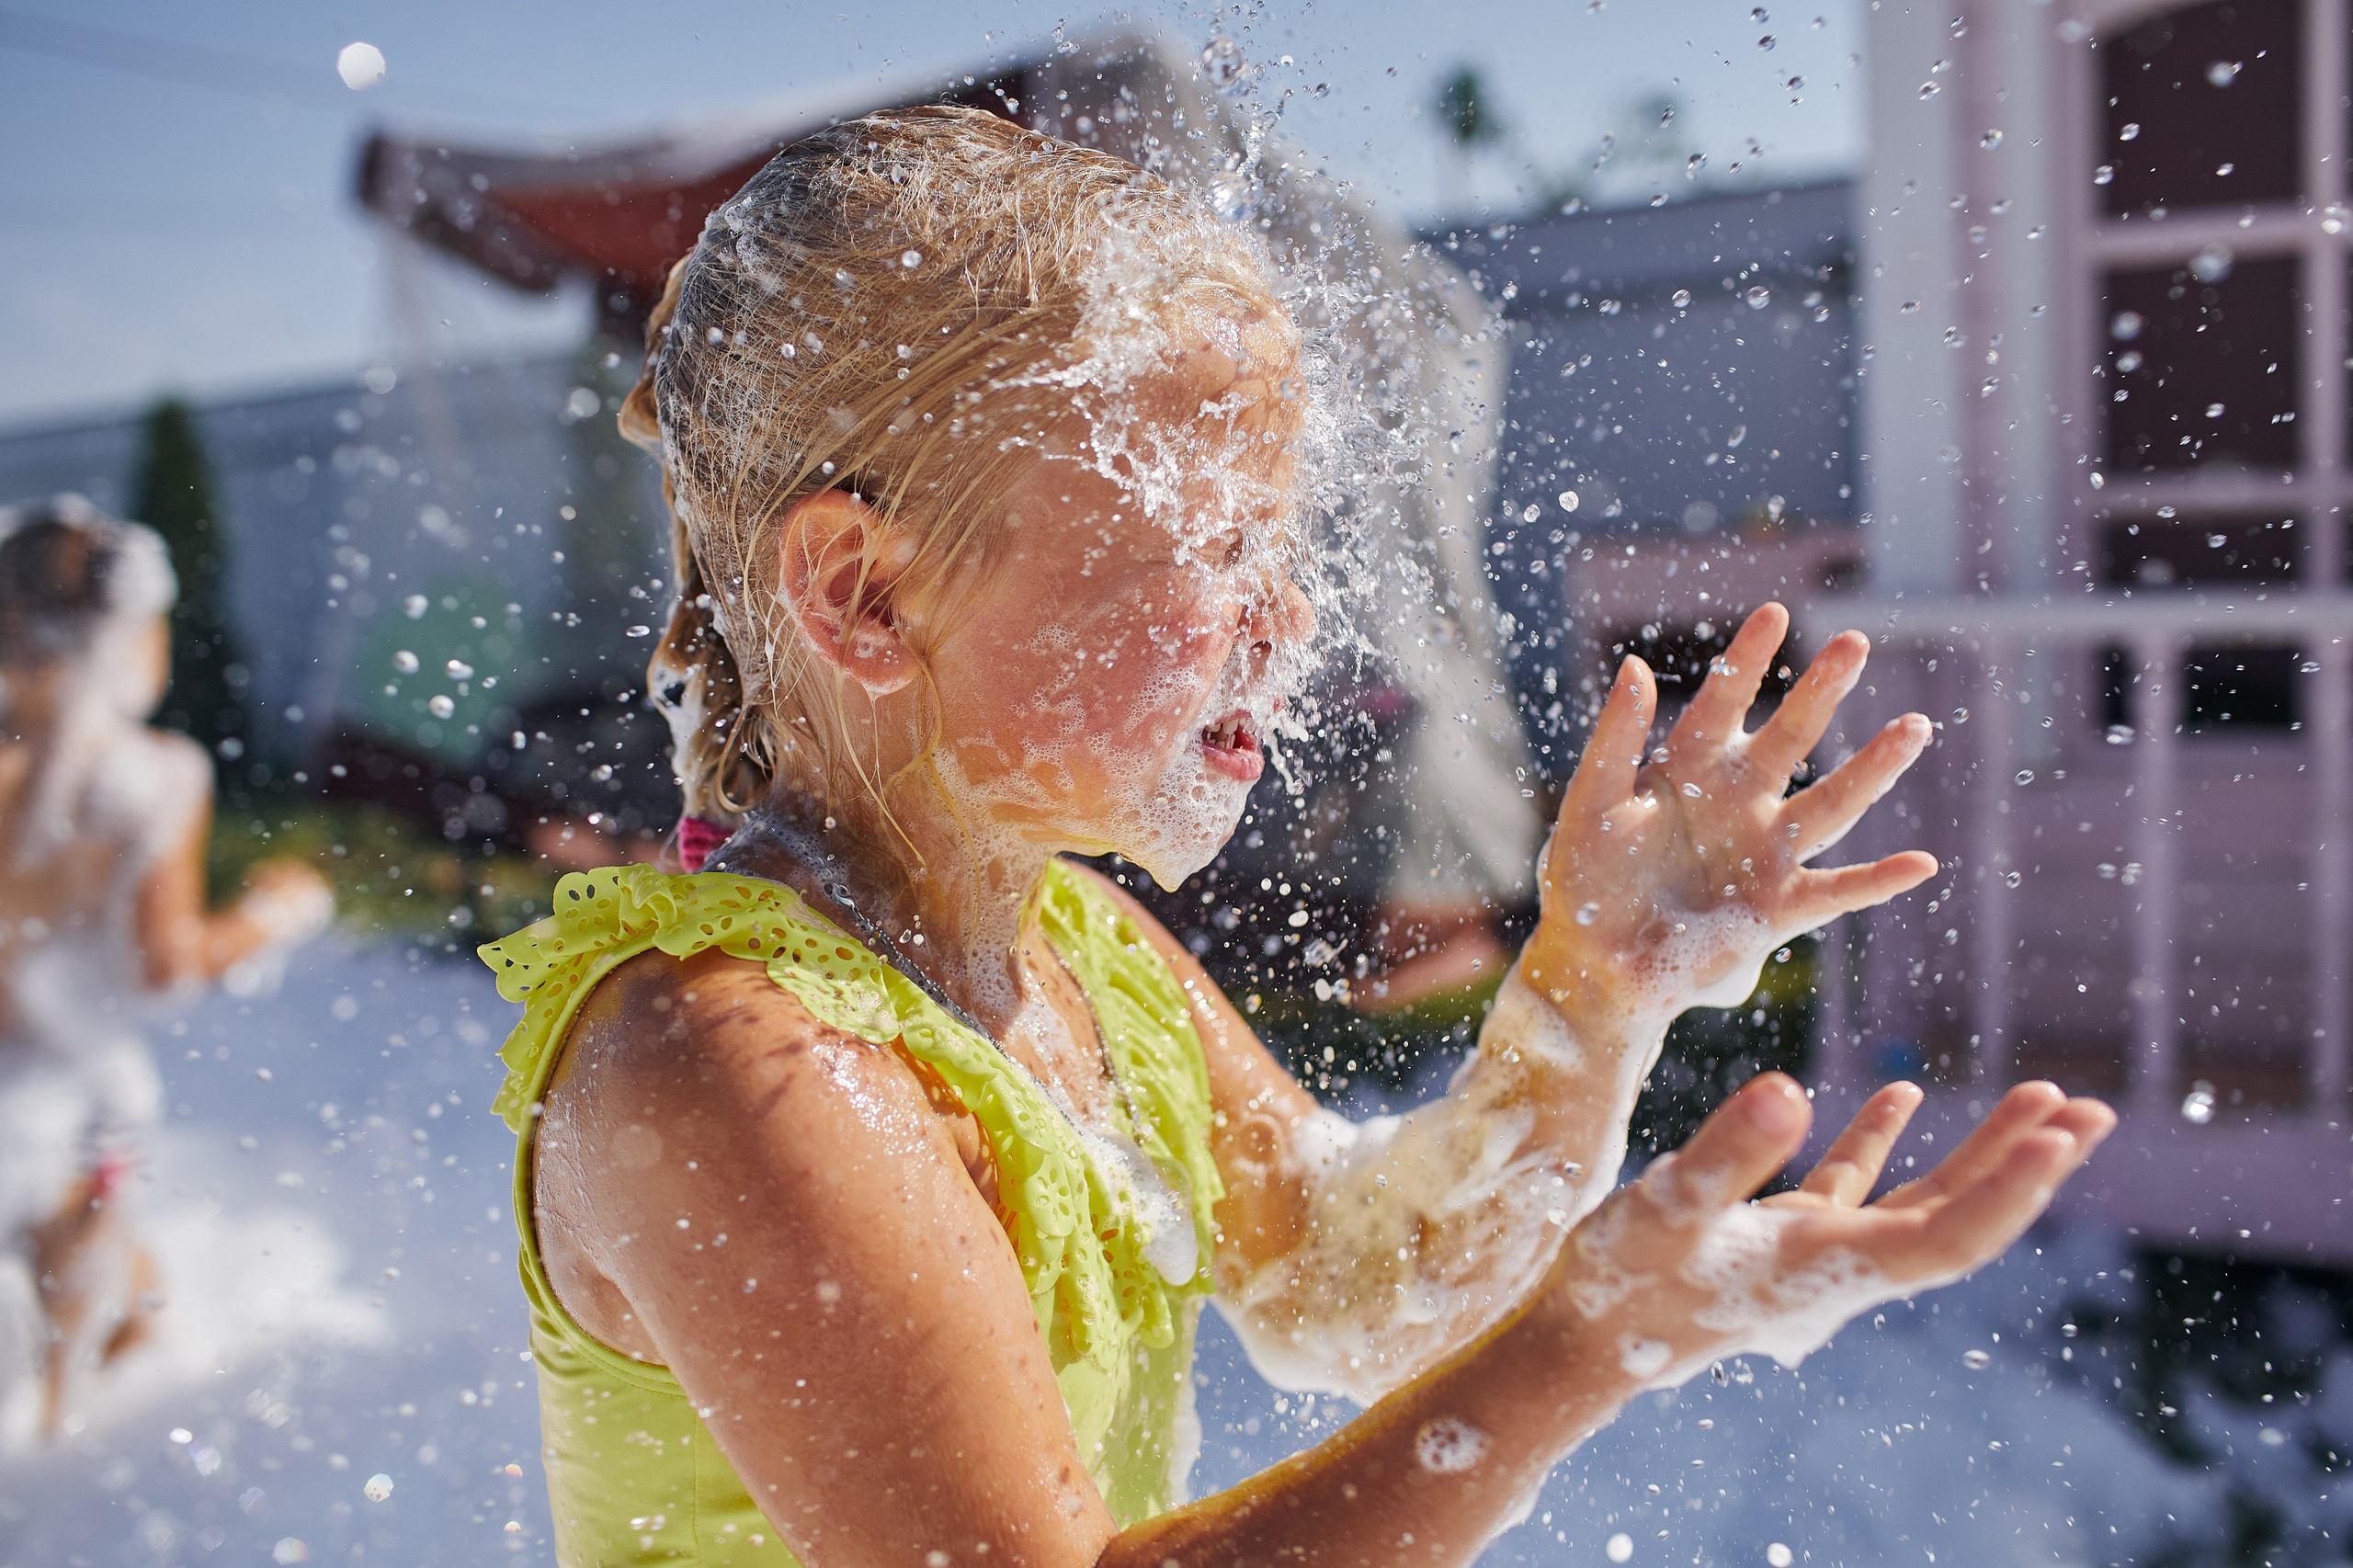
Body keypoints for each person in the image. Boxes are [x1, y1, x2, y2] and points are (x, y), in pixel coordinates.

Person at [476, 107, 2112, 1566]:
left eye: (1283, 539)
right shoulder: (736, 1070)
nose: (1290, 611)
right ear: (864, 591)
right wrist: (1587, 1341)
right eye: (1209, 539)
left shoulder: (1081, 962)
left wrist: (1595, 988)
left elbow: (1359, 1283)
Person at [0, 496, 334, 1446]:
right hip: (57, 1118)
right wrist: (274, 911)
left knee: (131, 1304)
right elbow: (164, 969)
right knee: (73, 1396)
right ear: (125, 635)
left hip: (30, 1107)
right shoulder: (148, 776)